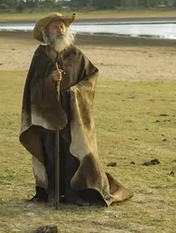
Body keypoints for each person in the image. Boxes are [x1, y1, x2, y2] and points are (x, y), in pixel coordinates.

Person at [20, 12, 133, 206]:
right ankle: (52, 192)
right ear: (47, 32)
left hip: (73, 115)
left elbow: (92, 76)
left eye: (63, 26)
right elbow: (32, 87)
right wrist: (50, 80)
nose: (61, 30)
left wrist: (75, 92)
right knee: (51, 153)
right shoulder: (41, 55)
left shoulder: (76, 55)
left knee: (73, 153)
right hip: (47, 116)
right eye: (55, 27)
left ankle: (74, 194)